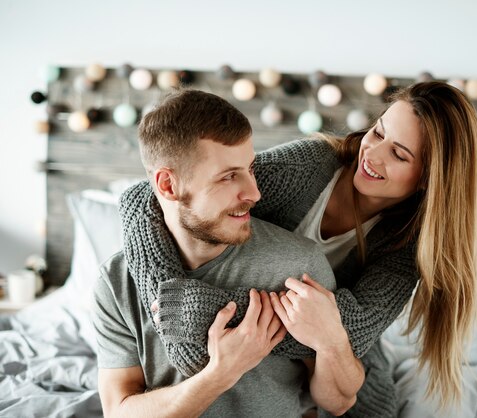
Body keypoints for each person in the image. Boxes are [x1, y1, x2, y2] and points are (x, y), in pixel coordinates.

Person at [121, 81, 477, 414]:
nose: (373, 154)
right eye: (378, 132)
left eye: (400, 154)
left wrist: (204, 312)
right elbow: (142, 197)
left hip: (340, 367)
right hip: (269, 356)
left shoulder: (408, 246)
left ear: (430, 181)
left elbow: (347, 330)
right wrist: (167, 300)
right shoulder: (309, 167)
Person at [93, 89, 364, 417]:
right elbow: (118, 411)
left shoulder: (297, 267)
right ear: (167, 186)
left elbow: (337, 403)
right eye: (228, 176)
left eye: (250, 168)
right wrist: (220, 374)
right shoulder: (116, 281)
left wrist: (332, 341)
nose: (254, 192)